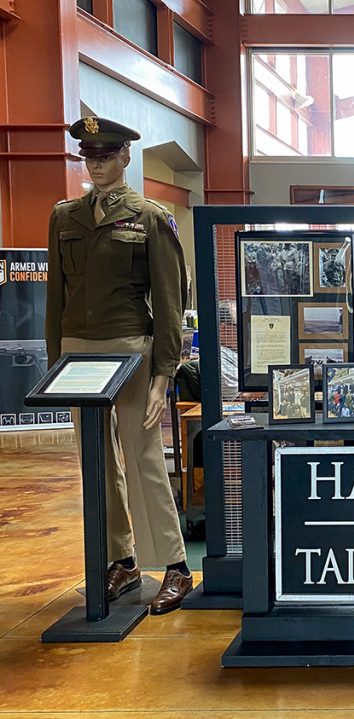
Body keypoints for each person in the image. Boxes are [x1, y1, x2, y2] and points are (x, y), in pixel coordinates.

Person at [45, 116, 192, 614]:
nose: (98, 164)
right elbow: (54, 300)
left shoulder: (149, 217)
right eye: (90, 156)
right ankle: (121, 560)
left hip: (131, 347)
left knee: (144, 454)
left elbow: (170, 301)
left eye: (106, 155)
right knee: (97, 462)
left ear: (126, 157)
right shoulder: (64, 217)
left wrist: (163, 374)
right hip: (76, 353)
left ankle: (174, 565)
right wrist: (54, 364)